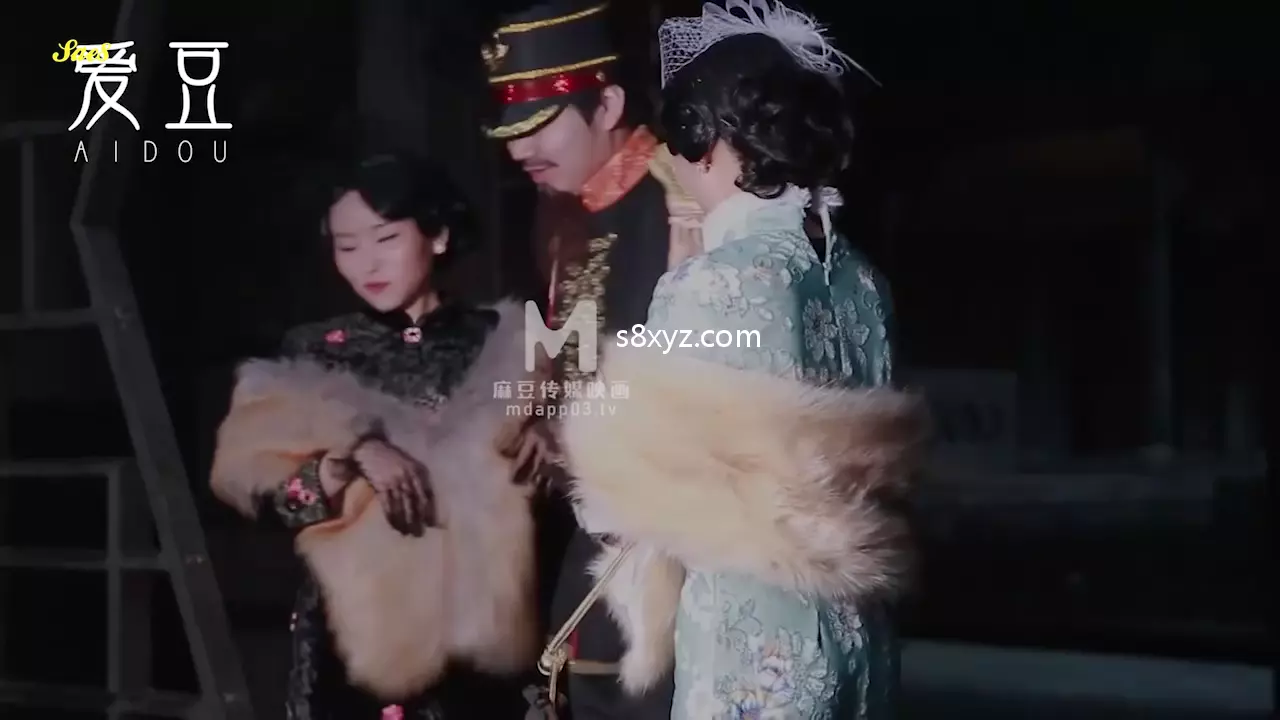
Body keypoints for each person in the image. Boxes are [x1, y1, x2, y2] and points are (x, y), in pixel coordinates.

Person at [557, 1, 929, 718]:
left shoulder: (713, 281)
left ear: (704, 140)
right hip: (861, 633)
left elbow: (621, 493)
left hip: (754, 632)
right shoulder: (864, 281)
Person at [208, 153, 540, 719]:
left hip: (484, 648)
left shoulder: (509, 343)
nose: (367, 263)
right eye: (347, 246)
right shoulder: (311, 357)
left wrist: (550, 436)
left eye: (386, 239)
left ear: (437, 235)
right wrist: (347, 459)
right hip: (358, 648)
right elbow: (266, 501)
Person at [480, 2, 695, 719]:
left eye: (541, 125)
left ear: (607, 105)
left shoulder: (680, 202)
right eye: (512, 132)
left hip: (671, 544)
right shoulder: (564, 209)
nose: (520, 151)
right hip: (591, 538)